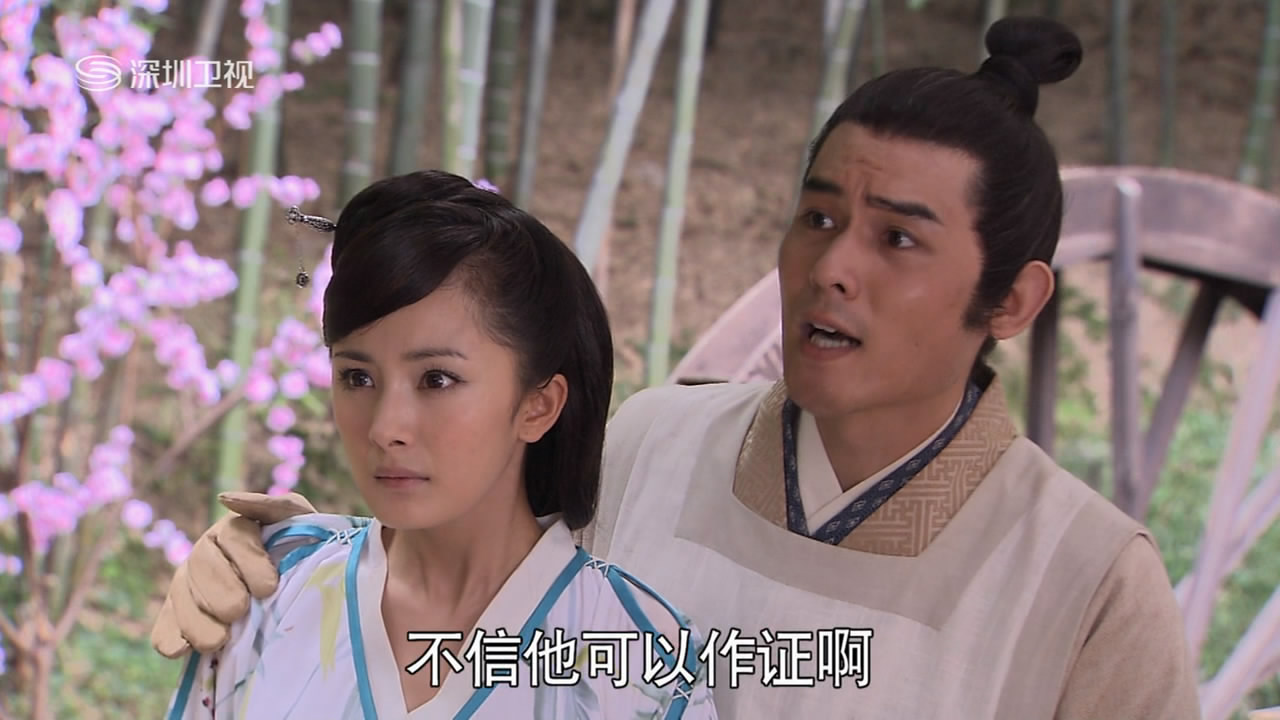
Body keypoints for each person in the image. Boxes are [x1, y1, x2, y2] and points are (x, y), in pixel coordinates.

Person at [153, 16, 1202, 719]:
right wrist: (278, 572)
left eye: (896, 238)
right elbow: (472, 605)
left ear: (1012, 301)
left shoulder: (1088, 581)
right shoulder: (654, 440)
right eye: (818, 218)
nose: (832, 267)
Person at [161, 170, 718, 719]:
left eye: (437, 379)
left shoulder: (646, 668)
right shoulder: (270, 591)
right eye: (357, 377)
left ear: (538, 405)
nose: (386, 427)